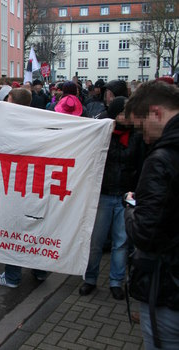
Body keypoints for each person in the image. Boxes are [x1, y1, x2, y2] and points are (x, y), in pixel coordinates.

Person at [123, 80, 179, 349]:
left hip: (167, 287)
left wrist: (131, 209)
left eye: (142, 127)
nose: (144, 137)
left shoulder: (162, 159)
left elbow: (146, 232)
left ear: (156, 113)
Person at [78, 96, 145, 300]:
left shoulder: (137, 137)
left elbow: (141, 166)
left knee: (121, 243)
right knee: (96, 242)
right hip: (103, 196)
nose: (127, 117)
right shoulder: (102, 135)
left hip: (125, 197)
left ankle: (116, 282)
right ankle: (90, 279)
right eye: (123, 113)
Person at [0, 86, 46, 288]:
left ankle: (12, 276)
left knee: (14, 228)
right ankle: (40, 270)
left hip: (15, 183)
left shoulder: (9, 123)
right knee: (33, 226)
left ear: (12, 100)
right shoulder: (41, 120)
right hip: (35, 183)